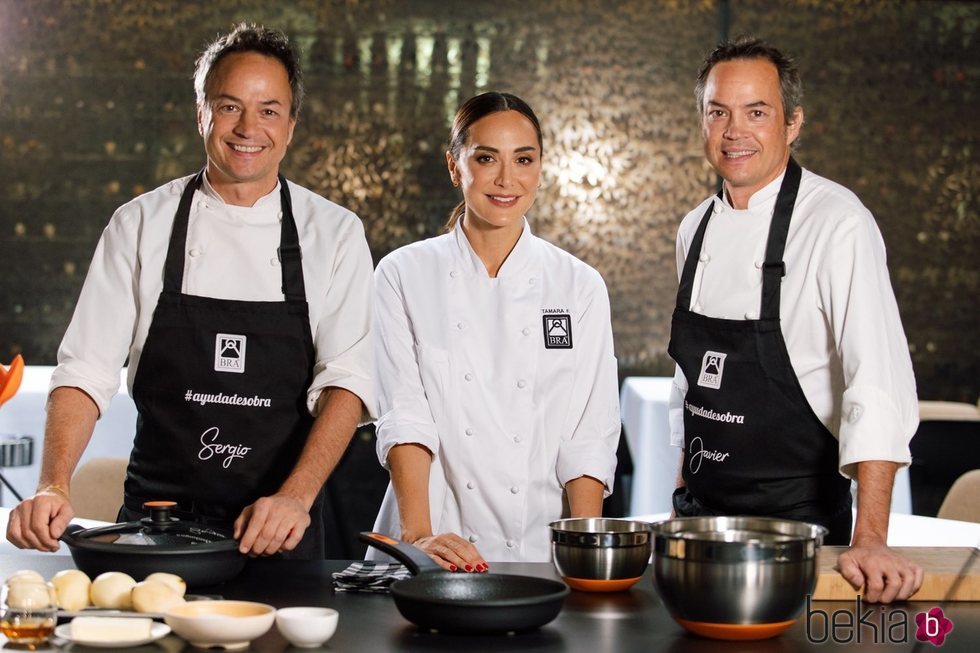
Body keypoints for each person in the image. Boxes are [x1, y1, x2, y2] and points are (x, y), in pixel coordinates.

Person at [6, 23, 374, 559]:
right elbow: (85, 371)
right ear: (201, 113)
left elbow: (348, 384)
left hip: (279, 528)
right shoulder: (139, 224)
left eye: (269, 110)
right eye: (229, 107)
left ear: (291, 126)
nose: (249, 127)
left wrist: (295, 497)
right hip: (153, 531)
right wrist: (53, 483)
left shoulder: (335, 233)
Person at [668, 36, 923, 603]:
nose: (735, 132)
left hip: (799, 532)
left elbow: (876, 382)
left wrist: (872, 539)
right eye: (719, 113)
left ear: (792, 123)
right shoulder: (695, 229)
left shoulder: (839, 224)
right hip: (701, 526)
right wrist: (680, 492)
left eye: (756, 113)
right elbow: (692, 382)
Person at [369, 92, 620, 570]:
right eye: (486, 158)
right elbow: (405, 416)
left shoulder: (578, 285)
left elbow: (589, 433)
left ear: (541, 167)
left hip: (540, 548)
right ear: (454, 166)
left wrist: (584, 550)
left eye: (523, 159)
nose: (507, 179)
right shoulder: (403, 273)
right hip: (432, 539)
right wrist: (419, 538)